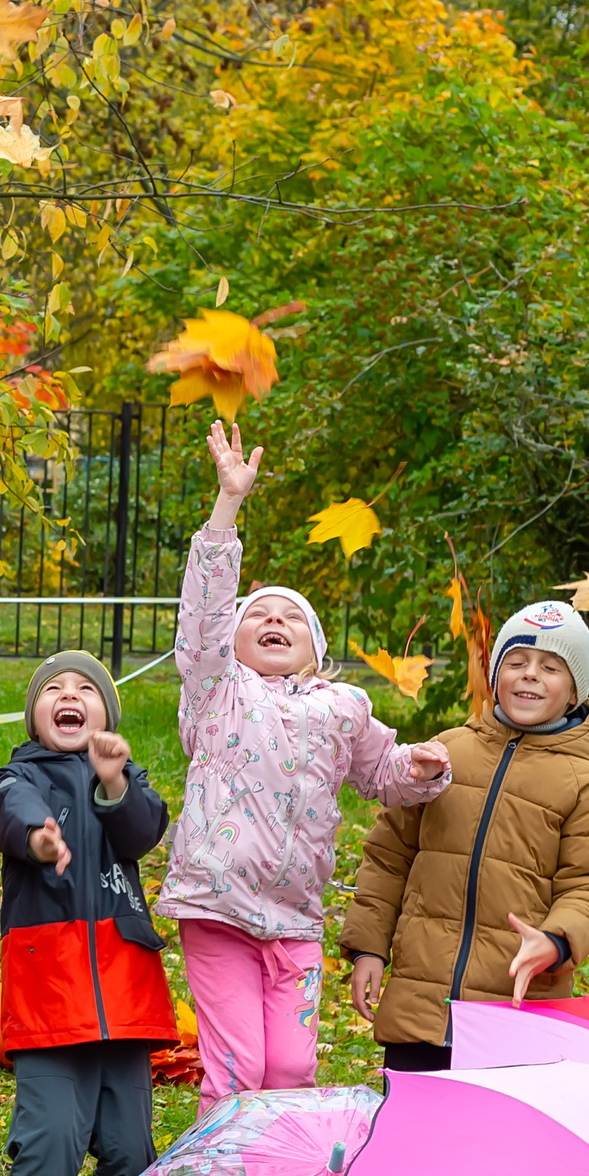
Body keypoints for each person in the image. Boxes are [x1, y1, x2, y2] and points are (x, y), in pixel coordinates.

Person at [157, 421, 453, 1110]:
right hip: (218, 904)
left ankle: (277, 1175)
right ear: (231, 641)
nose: (274, 621)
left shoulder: (342, 707)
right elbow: (202, 617)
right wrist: (228, 505)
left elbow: (381, 771)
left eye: (291, 618)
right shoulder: (218, 691)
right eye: (258, 614)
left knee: (291, 1071)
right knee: (238, 1071)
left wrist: (422, 769)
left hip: (295, 920)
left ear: (315, 648)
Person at [0, 652, 174, 1176]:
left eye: (86, 688)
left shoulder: (123, 779)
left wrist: (115, 779)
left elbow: (142, 831)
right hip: (50, 992)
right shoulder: (22, 775)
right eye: (54, 689)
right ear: (36, 715)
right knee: (50, 1139)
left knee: (130, 1148)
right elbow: (13, 815)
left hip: (124, 991)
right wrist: (40, 838)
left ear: (106, 716)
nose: (69, 694)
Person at [343, 602, 589, 1069]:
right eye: (517, 662)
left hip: (512, 1014)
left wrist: (556, 940)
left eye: (550, 668)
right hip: (419, 1006)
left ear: (575, 691)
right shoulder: (446, 753)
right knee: (413, 1113)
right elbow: (389, 856)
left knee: (491, 1119)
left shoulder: (583, 787)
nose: (530, 674)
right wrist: (368, 947)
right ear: (494, 676)